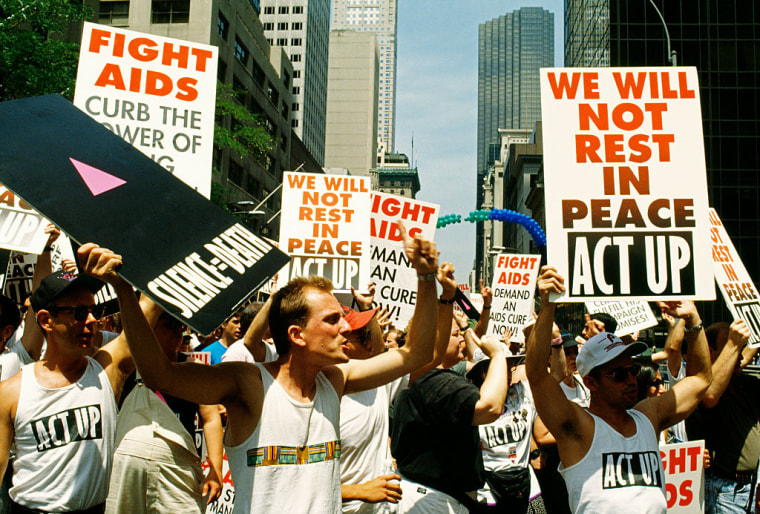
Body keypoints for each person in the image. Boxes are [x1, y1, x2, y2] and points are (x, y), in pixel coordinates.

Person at [85, 223, 438, 512]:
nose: (346, 327)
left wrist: (425, 278)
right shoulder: (248, 383)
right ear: (297, 335)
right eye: (333, 319)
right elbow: (160, 374)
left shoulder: (335, 380)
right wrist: (124, 292)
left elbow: (415, 353)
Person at [526, 266, 712, 513]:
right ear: (591, 382)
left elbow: (700, 378)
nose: (631, 380)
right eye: (619, 374)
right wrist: (548, 305)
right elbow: (538, 375)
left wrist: (693, 320)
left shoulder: (648, 417)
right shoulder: (578, 427)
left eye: (632, 370)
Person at [0, 259, 137, 513]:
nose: (92, 320)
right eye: (78, 312)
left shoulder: (107, 371)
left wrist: (121, 284)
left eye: (93, 311)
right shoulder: (10, 393)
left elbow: (143, 323)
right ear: (46, 320)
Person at [390, 272, 509, 513]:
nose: (462, 339)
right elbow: (489, 408)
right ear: (437, 339)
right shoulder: (437, 382)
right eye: (455, 334)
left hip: (431, 496)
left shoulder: (419, 379)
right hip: (436, 501)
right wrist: (498, 355)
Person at [106, 300, 224, 513]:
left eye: (182, 325)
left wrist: (216, 469)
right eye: (170, 324)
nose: (178, 331)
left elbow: (211, 418)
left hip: (179, 473)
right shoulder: (126, 369)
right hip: (129, 477)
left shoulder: (194, 370)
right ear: (150, 326)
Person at [686, 319, 756, 513]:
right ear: (709, 351)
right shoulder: (695, 387)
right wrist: (734, 343)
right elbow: (709, 394)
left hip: (750, 488)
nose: (738, 355)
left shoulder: (745, 384)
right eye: (730, 347)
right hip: (724, 491)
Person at [467, 349, 546, 513]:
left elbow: (557, 375)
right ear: (484, 373)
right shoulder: (470, 402)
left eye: (510, 368)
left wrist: (556, 343)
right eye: (503, 367)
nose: (509, 373)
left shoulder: (523, 392)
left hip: (526, 483)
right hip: (488, 489)